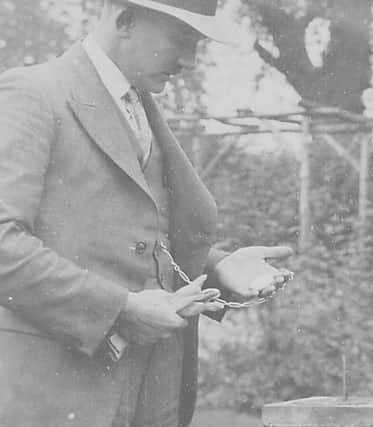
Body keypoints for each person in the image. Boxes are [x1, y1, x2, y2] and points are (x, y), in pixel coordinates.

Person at [0, 1, 292, 426]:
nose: (189, 62)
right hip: (58, 395)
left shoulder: (140, 106)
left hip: (152, 395)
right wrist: (120, 310)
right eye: (181, 40)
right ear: (125, 21)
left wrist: (217, 269)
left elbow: (137, 239)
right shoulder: (33, 94)